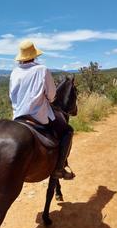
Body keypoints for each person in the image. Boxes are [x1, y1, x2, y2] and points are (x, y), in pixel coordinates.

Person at [9, 40, 75, 180]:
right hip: (38, 115)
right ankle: (59, 168)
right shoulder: (42, 70)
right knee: (68, 130)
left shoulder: (14, 72)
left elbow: (11, 96)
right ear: (34, 55)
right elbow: (52, 96)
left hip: (18, 115)